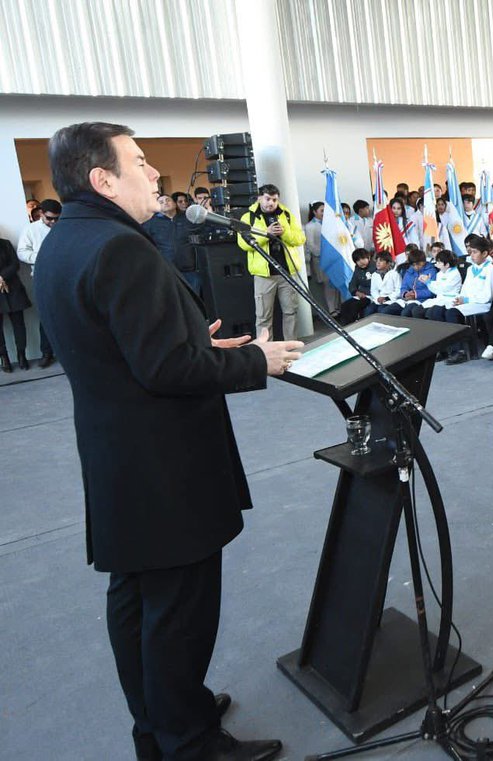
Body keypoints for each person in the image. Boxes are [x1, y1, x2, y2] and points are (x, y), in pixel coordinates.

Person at [33, 121, 298, 761]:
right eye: (141, 162)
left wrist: (190, 341)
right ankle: (190, 743)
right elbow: (167, 372)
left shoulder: (65, 241)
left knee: (136, 598)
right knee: (179, 607)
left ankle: (159, 719)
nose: (155, 173)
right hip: (165, 465)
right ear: (103, 179)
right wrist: (257, 361)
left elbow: (114, 345)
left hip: (117, 456)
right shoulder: (120, 248)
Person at [238, 184, 305, 341]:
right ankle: (266, 351)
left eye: (274, 200)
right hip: (264, 275)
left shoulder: (286, 214)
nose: (271, 203)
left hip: (287, 272)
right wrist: (265, 234)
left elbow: (300, 238)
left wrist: (285, 233)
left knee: (291, 313)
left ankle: (291, 347)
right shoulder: (248, 217)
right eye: (267, 199)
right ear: (259, 198)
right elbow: (243, 243)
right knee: (263, 317)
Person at [427, 235, 493, 364]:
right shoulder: (471, 269)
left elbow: (487, 296)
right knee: (438, 311)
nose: (472, 255)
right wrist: (460, 298)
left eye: (475, 252)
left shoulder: (491, 270)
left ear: (484, 253)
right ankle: (444, 349)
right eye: (470, 252)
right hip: (468, 302)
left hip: (482, 304)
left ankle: (459, 351)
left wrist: (465, 300)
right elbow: (465, 289)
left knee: (452, 312)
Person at [17, 197, 60, 367]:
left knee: (71, 314)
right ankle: (47, 353)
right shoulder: (30, 230)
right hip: (42, 277)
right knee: (47, 316)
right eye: (50, 218)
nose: (53, 222)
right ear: (41, 213)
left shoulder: (63, 226)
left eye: (57, 218)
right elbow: (21, 252)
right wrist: (42, 257)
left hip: (66, 276)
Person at [0, 236, 32, 372]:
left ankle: (21, 355)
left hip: (12, 288)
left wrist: (1, 277)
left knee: (19, 324)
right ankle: (4, 358)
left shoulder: (5, 244)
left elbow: (15, 264)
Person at [336, 248, 374, 325]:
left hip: (371, 295)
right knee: (344, 305)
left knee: (354, 306)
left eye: (363, 259)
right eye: (358, 260)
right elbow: (352, 284)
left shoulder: (374, 267)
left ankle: (353, 325)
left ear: (368, 258)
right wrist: (356, 292)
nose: (361, 262)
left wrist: (365, 293)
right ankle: (345, 326)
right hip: (360, 295)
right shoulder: (357, 269)